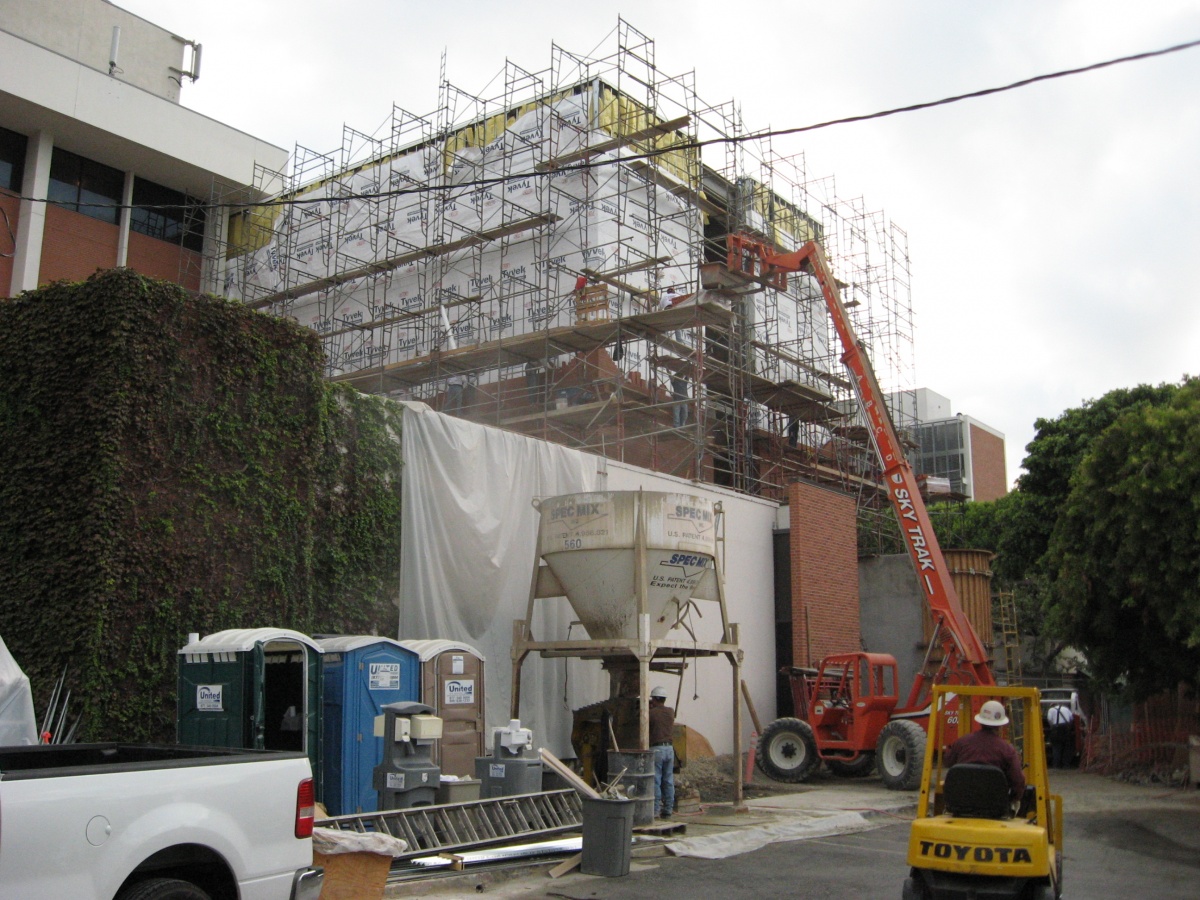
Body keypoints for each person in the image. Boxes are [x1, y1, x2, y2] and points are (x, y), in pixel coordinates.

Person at [944, 700, 1026, 802]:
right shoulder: (1007, 750)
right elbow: (1018, 781)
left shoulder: (961, 743)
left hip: (960, 804)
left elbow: (948, 762)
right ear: (1000, 725)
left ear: (980, 721)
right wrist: (1013, 799)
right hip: (995, 808)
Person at [649, 685, 676, 819]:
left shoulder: (651, 713)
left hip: (657, 749)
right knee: (668, 780)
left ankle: (655, 810)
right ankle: (668, 809)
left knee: (656, 780)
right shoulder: (671, 711)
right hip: (669, 749)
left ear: (654, 699)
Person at [1046, 703, 1075, 769]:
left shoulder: (1051, 710)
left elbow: (1049, 719)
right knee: (1067, 747)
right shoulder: (1066, 709)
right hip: (1066, 728)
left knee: (1056, 747)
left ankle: (1056, 765)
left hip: (1056, 729)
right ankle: (1066, 765)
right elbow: (1071, 718)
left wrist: (1052, 727)